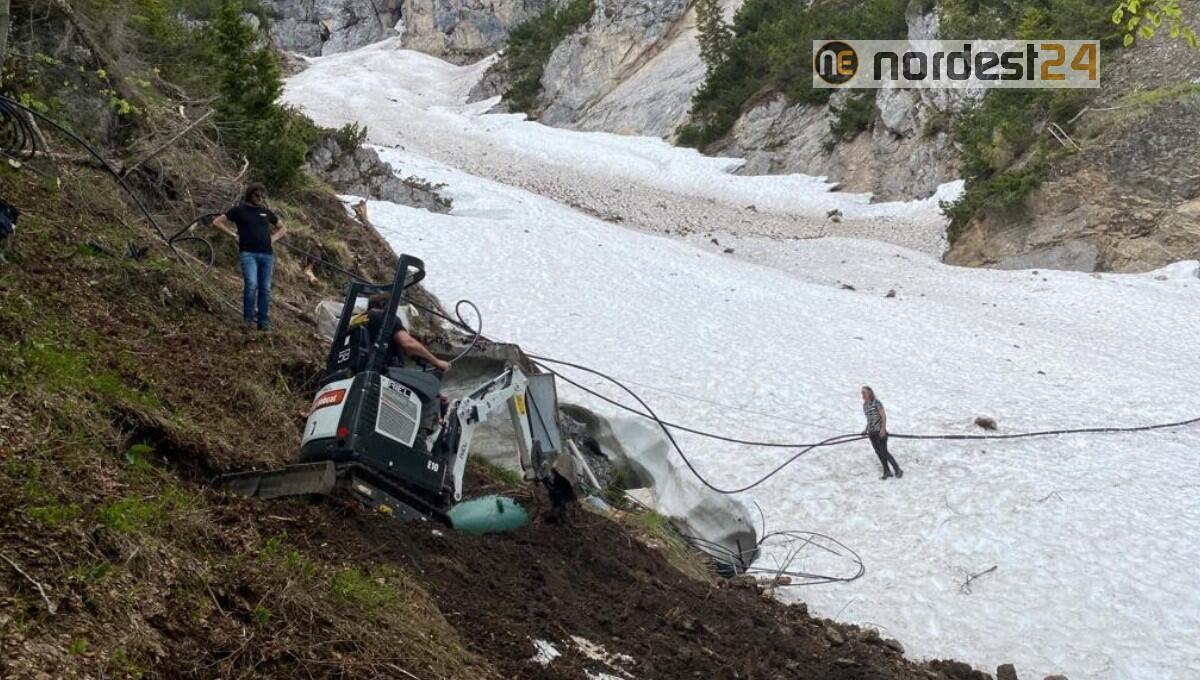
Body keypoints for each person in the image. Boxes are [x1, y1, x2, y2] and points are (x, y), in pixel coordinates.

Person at [212, 184, 287, 330]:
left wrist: (274, 238)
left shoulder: (266, 212)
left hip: (267, 254)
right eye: (257, 195)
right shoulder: (239, 210)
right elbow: (217, 222)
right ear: (250, 195)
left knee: (265, 288)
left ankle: (263, 321)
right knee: (251, 285)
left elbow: (283, 227)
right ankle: (248, 319)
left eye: (262, 196)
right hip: (248, 254)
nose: (260, 199)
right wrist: (233, 235)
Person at [364, 294, 450, 373]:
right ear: (385, 305)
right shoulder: (386, 318)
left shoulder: (360, 318)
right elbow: (408, 344)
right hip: (382, 373)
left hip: (360, 373)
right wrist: (437, 362)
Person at [861, 385, 902, 480]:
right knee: (878, 452)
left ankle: (897, 469)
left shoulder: (877, 403)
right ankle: (886, 471)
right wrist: (866, 430)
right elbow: (869, 419)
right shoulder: (865, 405)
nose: (862, 394)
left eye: (864, 392)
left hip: (879, 432)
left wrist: (883, 429)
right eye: (862, 393)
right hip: (872, 432)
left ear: (869, 393)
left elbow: (883, 416)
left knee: (884, 452)